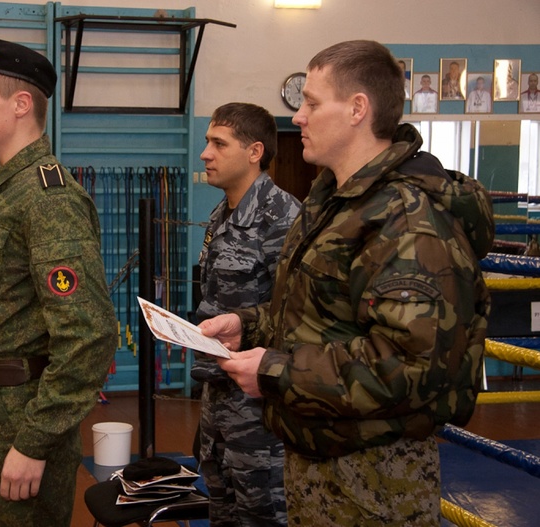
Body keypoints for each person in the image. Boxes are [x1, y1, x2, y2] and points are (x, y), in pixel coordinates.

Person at [201, 40, 493, 526]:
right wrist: (248, 326)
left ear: (358, 109)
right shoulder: (334, 202)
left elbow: (410, 365)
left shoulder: (404, 218)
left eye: (312, 103)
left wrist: (276, 372)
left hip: (374, 481)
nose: (298, 117)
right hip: (319, 460)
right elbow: (318, 315)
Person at [0, 37, 117, 527]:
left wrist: (34, 441)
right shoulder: (6, 186)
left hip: (20, 413)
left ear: (21, 104)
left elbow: (89, 335)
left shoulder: (49, 198)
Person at [192, 102, 300, 527]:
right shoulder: (222, 214)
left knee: (263, 514)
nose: (206, 153)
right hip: (218, 394)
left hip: (259, 405)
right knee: (222, 508)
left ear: (255, 151)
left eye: (219, 144)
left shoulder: (283, 218)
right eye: (207, 142)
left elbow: (294, 312)